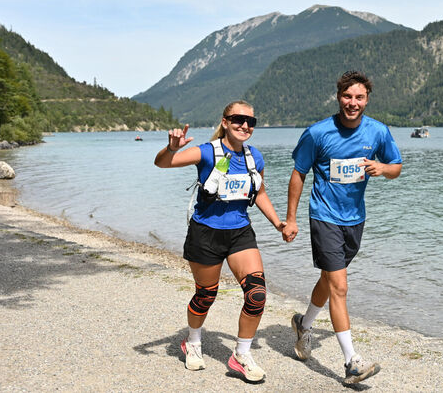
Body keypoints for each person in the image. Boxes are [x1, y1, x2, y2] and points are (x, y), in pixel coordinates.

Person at [282, 71, 403, 384]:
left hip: (355, 220)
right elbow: (298, 174)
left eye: (359, 97)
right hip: (324, 216)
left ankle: (303, 324)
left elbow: (396, 167)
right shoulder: (318, 133)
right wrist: (291, 218)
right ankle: (351, 362)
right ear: (338, 97)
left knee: (328, 278)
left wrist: (383, 168)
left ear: (366, 99)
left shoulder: (377, 131)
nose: (353, 103)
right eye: (347, 97)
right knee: (339, 286)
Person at [154, 100, 285, 382]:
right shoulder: (206, 152)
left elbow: (259, 193)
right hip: (205, 233)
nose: (245, 125)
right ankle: (193, 341)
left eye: (251, 121)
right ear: (225, 122)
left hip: (240, 233)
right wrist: (172, 148)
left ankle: (241, 355)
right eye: (238, 119)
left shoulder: (255, 158)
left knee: (257, 295)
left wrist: (278, 223)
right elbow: (163, 163)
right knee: (206, 295)